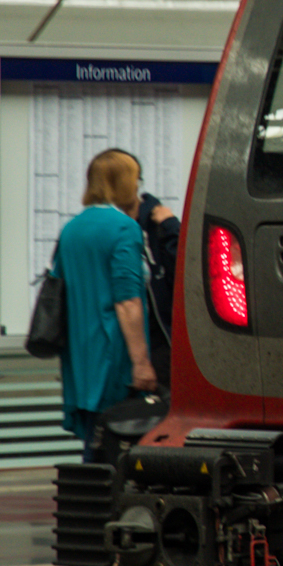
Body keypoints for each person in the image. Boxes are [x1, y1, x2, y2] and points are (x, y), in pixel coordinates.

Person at [57, 149, 157, 461]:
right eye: (135, 179)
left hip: (80, 356)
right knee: (119, 446)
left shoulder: (71, 230)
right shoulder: (123, 228)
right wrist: (141, 362)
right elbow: (127, 300)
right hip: (113, 354)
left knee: (94, 441)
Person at [110, 148, 179, 390]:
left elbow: (187, 272)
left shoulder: (160, 222)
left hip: (162, 343)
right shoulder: (109, 227)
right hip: (120, 344)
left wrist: (171, 228)